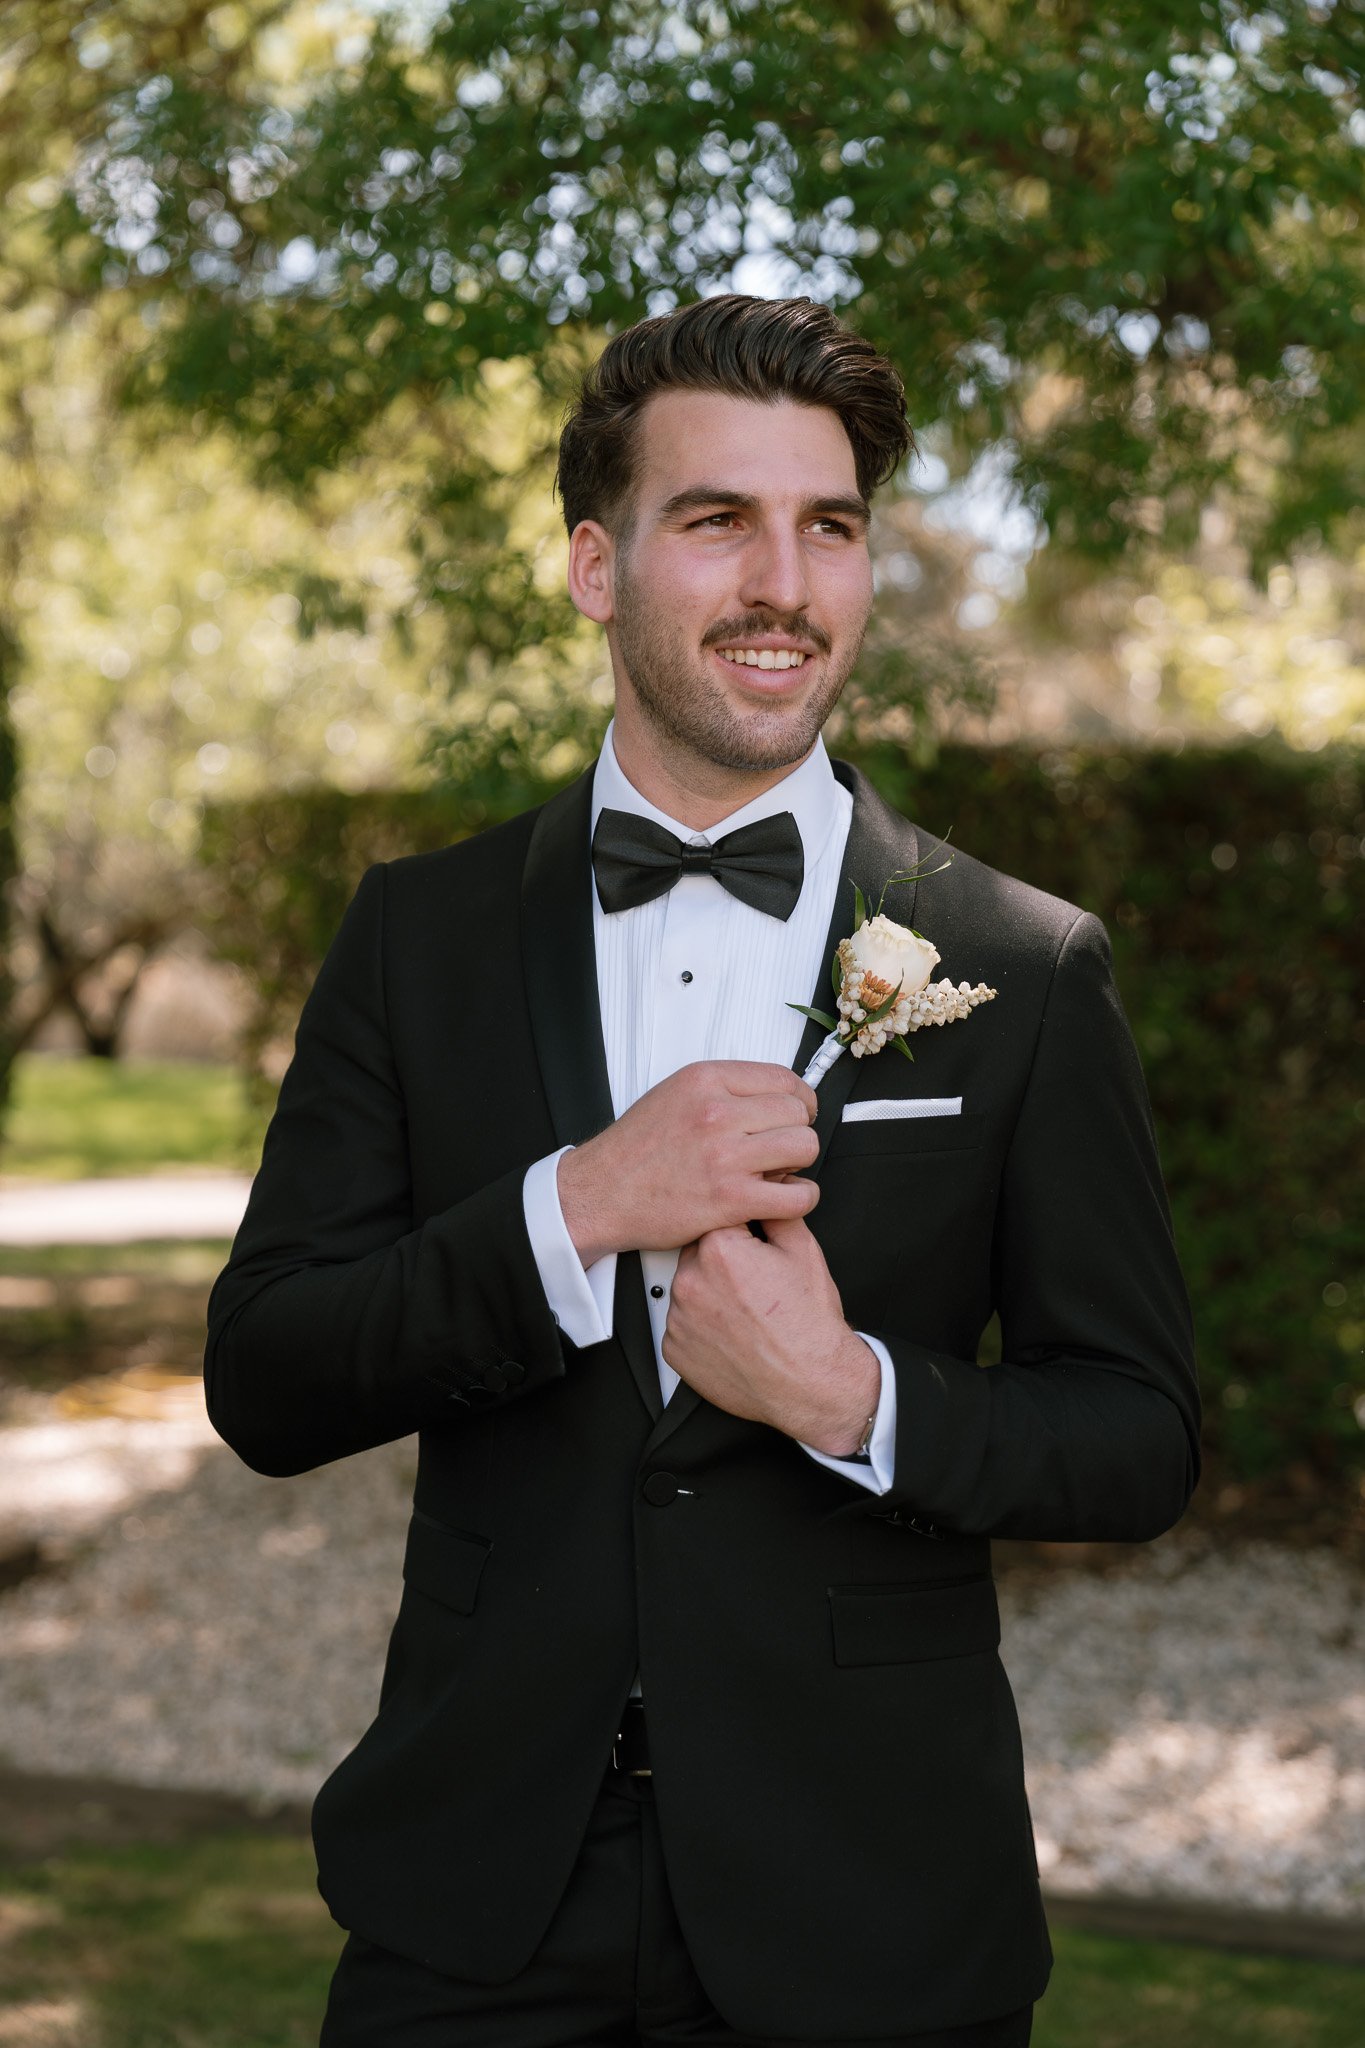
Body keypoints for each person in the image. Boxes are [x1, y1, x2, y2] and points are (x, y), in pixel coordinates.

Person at [204, 294, 1199, 2047]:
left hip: (871, 1899)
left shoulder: (1022, 965)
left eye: (829, 528)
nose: (783, 585)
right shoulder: (416, 937)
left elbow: (1135, 1435)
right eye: (716, 520)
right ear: (594, 567)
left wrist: (849, 1396)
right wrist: (575, 1208)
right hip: (480, 1901)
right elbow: (268, 1377)